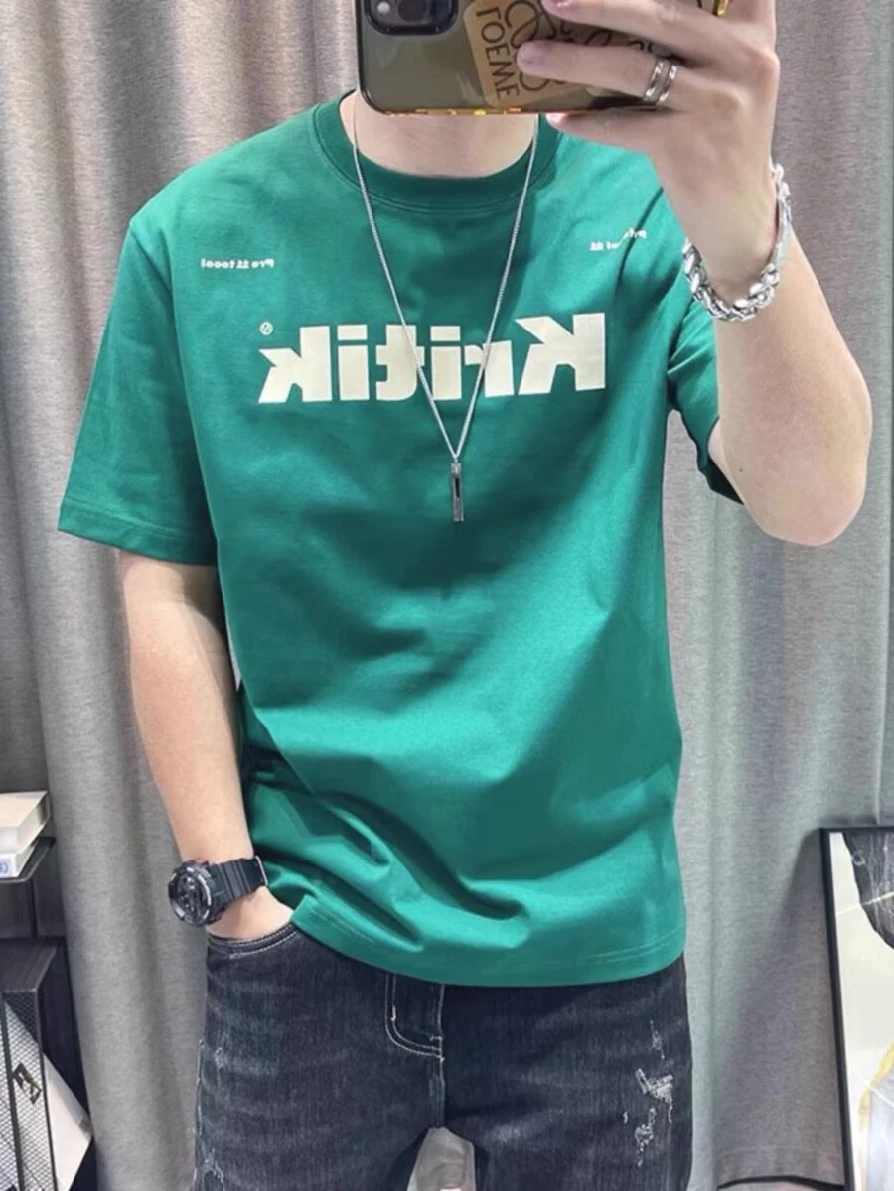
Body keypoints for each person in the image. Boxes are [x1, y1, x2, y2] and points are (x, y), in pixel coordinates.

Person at [57, 2, 872, 1186]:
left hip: (589, 949)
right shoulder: (199, 232)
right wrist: (234, 896)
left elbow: (814, 501)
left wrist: (742, 208)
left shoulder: (651, 207)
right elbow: (166, 587)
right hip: (309, 931)